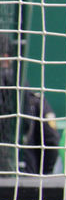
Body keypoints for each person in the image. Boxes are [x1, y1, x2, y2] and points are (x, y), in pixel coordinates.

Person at [0, 39, 60, 174]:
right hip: (24, 178)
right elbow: (51, 145)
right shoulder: (33, 100)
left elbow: (51, 144)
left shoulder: (33, 102)